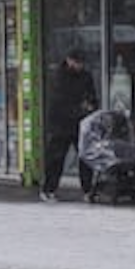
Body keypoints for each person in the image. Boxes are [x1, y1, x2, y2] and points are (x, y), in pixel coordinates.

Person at [41, 50, 98, 202]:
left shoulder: (86, 76)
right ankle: (49, 189)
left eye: (81, 63)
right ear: (69, 61)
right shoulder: (58, 76)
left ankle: (88, 190)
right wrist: (80, 108)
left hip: (81, 123)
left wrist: (90, 104)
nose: (80, 66)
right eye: (77, 62)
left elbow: (92, 96)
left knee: (85, 157)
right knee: (56, 158)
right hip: (60, 123)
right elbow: (59, 101)